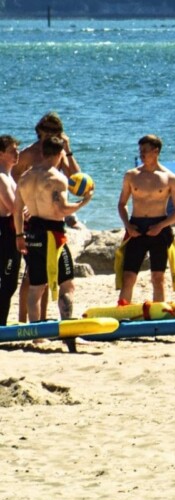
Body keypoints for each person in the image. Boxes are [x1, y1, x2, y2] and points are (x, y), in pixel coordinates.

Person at [13, 136, 93, 350]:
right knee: (67, 283)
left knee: (36, 286)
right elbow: (62, 210)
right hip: (52, 235)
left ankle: (37, 335)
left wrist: (19, 236)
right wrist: (84, 202)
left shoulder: (25, 177)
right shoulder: (57, 178)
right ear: (59, 154)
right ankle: (67, 331)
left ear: (42, 152)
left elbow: (17, 210)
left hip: (31, 234)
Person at [12, 112, 81, 323]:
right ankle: (24, 320)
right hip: (32, 217)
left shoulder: (58, 153)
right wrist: (25, 206)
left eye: (54, 132)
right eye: (46, 131)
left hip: (50, 215)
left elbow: (76, 180)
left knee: (46, 274)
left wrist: (67, 151)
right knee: (32, 275)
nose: (49, 135)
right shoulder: (28, 154)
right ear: (39, 130)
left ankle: (42, 319)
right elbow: (15, 181)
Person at [116, 135, 175, 304]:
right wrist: (128, 226)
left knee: (158, 277)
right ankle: (123, 312)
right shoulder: (131, 175)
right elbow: (122, 204)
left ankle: (158, 313)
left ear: (156, 151)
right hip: (136, 227)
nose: (142, 154)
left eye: (145, 151)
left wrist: (161, 226)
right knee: (129, 276)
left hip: (159, 228)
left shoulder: (169, 178)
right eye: (140, 151)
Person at [0, 136, 21, 326]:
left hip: (9, 230)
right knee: (7, 282)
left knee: (10, 282)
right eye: (12, 150)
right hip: (4, 231)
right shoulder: (1, 177)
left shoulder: (9, 176)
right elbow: (13, 208)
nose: (17, 153)